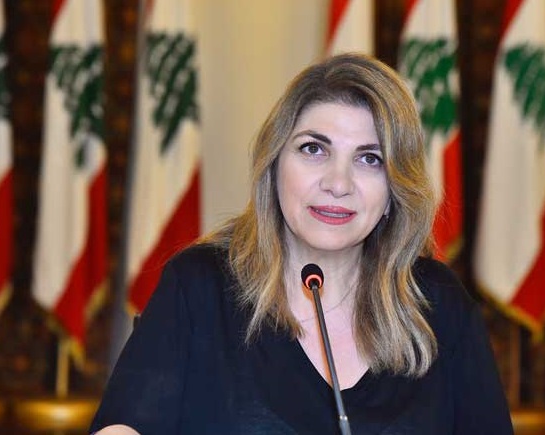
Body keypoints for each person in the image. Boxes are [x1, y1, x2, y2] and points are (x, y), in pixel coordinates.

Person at [90, 53, 513, 434]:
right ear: (274, 165)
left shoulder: (437, 304)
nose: (338, 183)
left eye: (370, 159)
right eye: (313, 149)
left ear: (394, 190)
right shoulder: (201, 285)